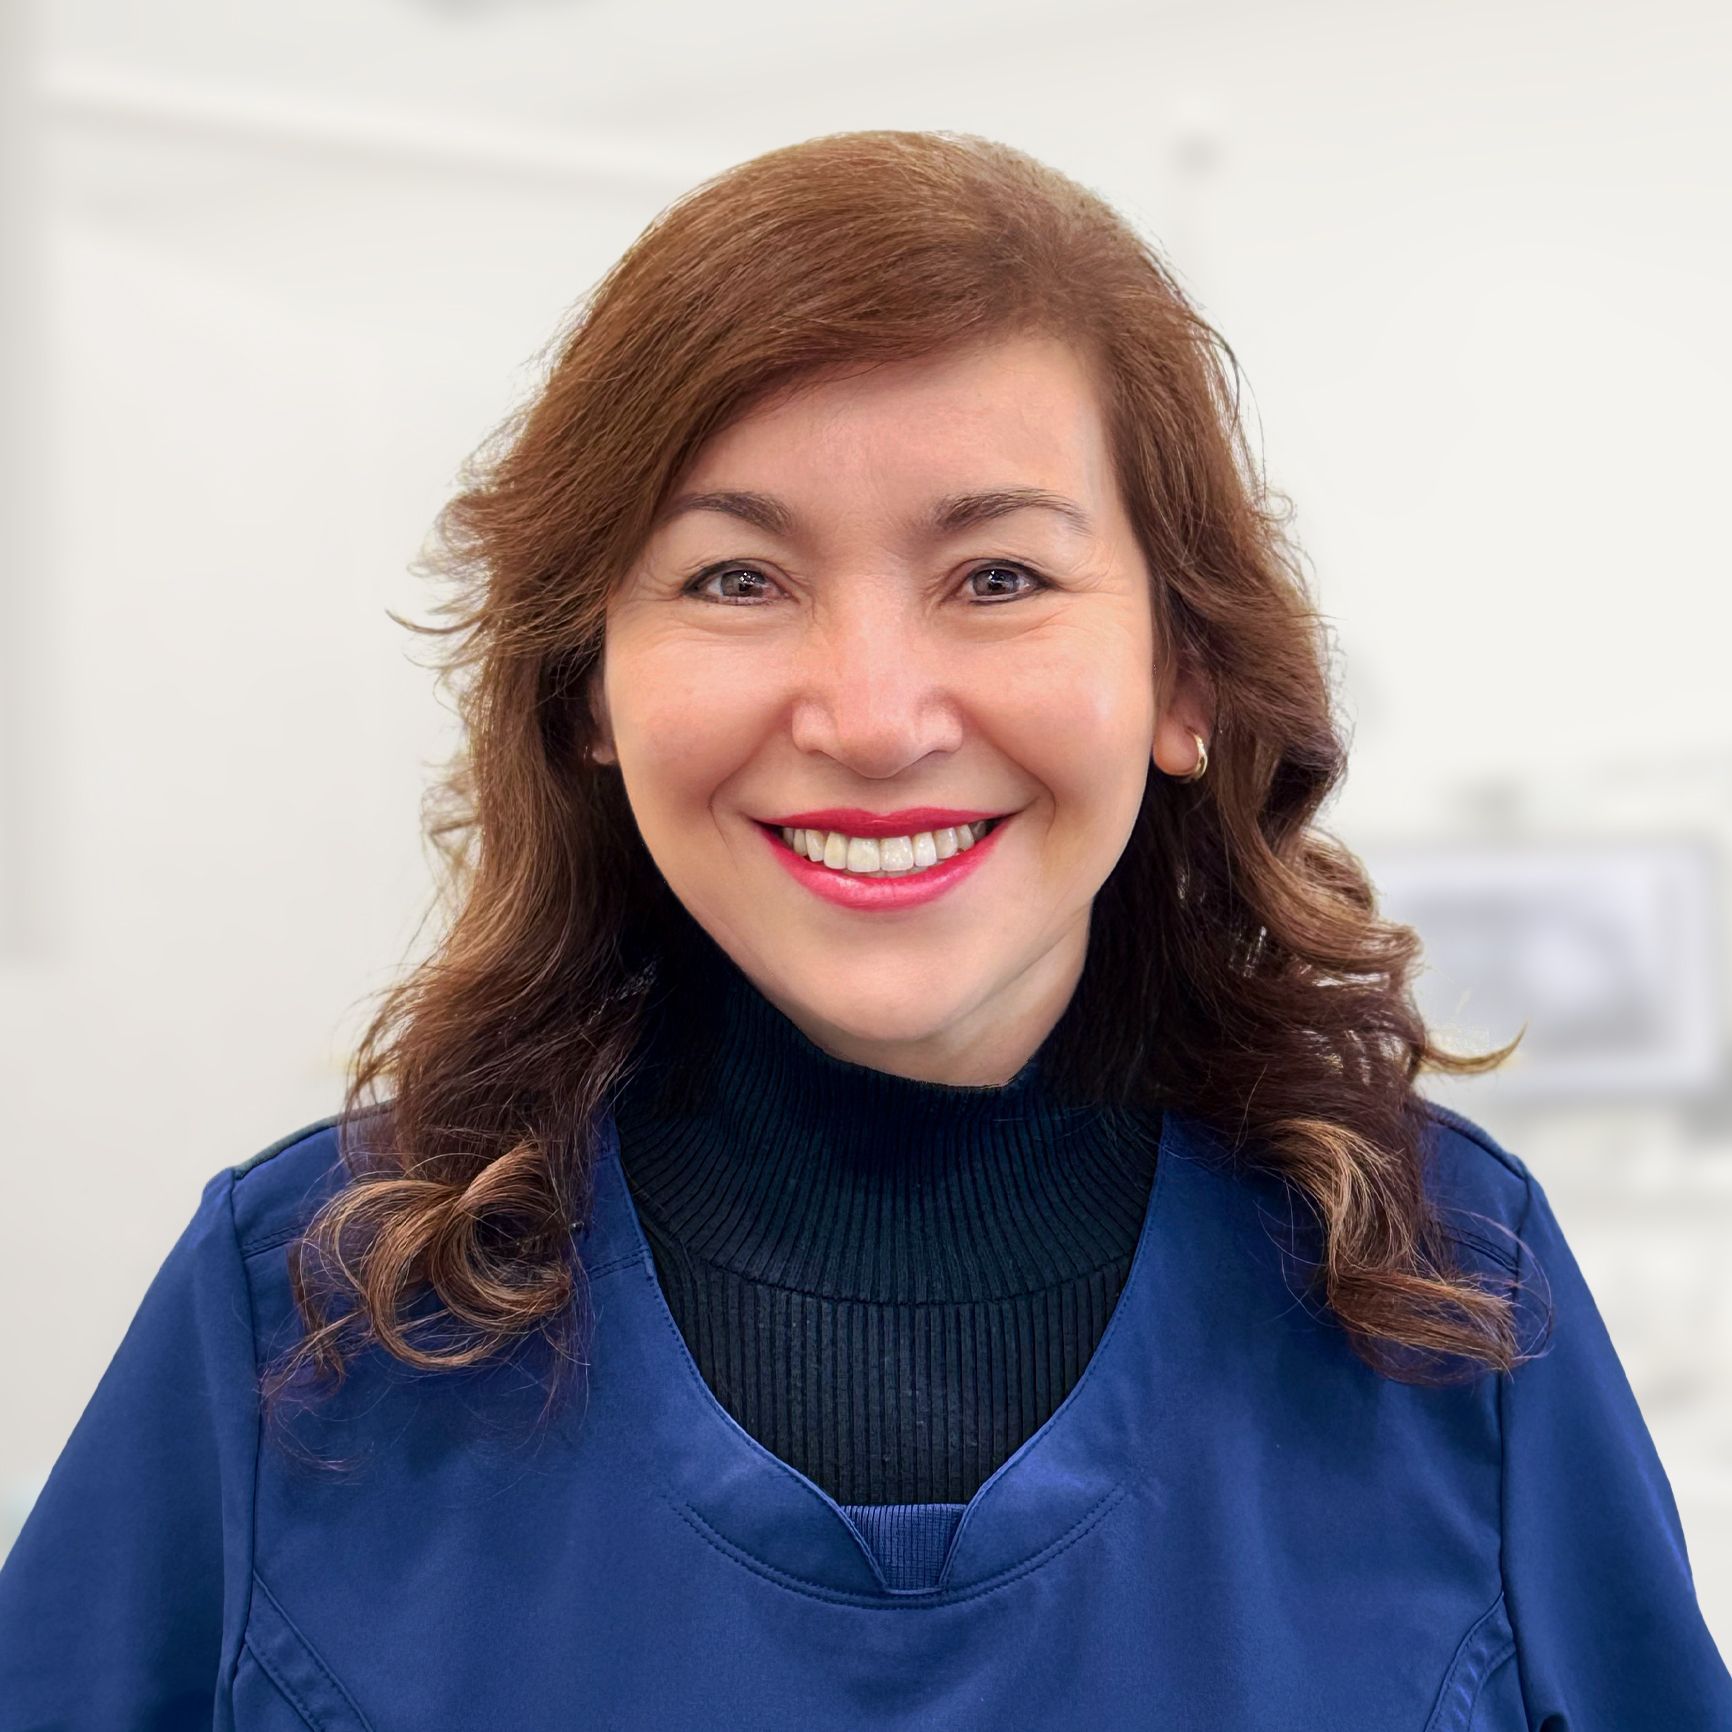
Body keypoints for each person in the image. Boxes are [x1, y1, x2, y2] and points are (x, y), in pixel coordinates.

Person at [1, 128, 1727, 1731]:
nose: (874, 714)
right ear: (588, 686)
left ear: (1184, 677)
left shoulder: (1448, 1305)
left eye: (999, 578)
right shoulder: (299, 1319)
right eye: (736, 579)